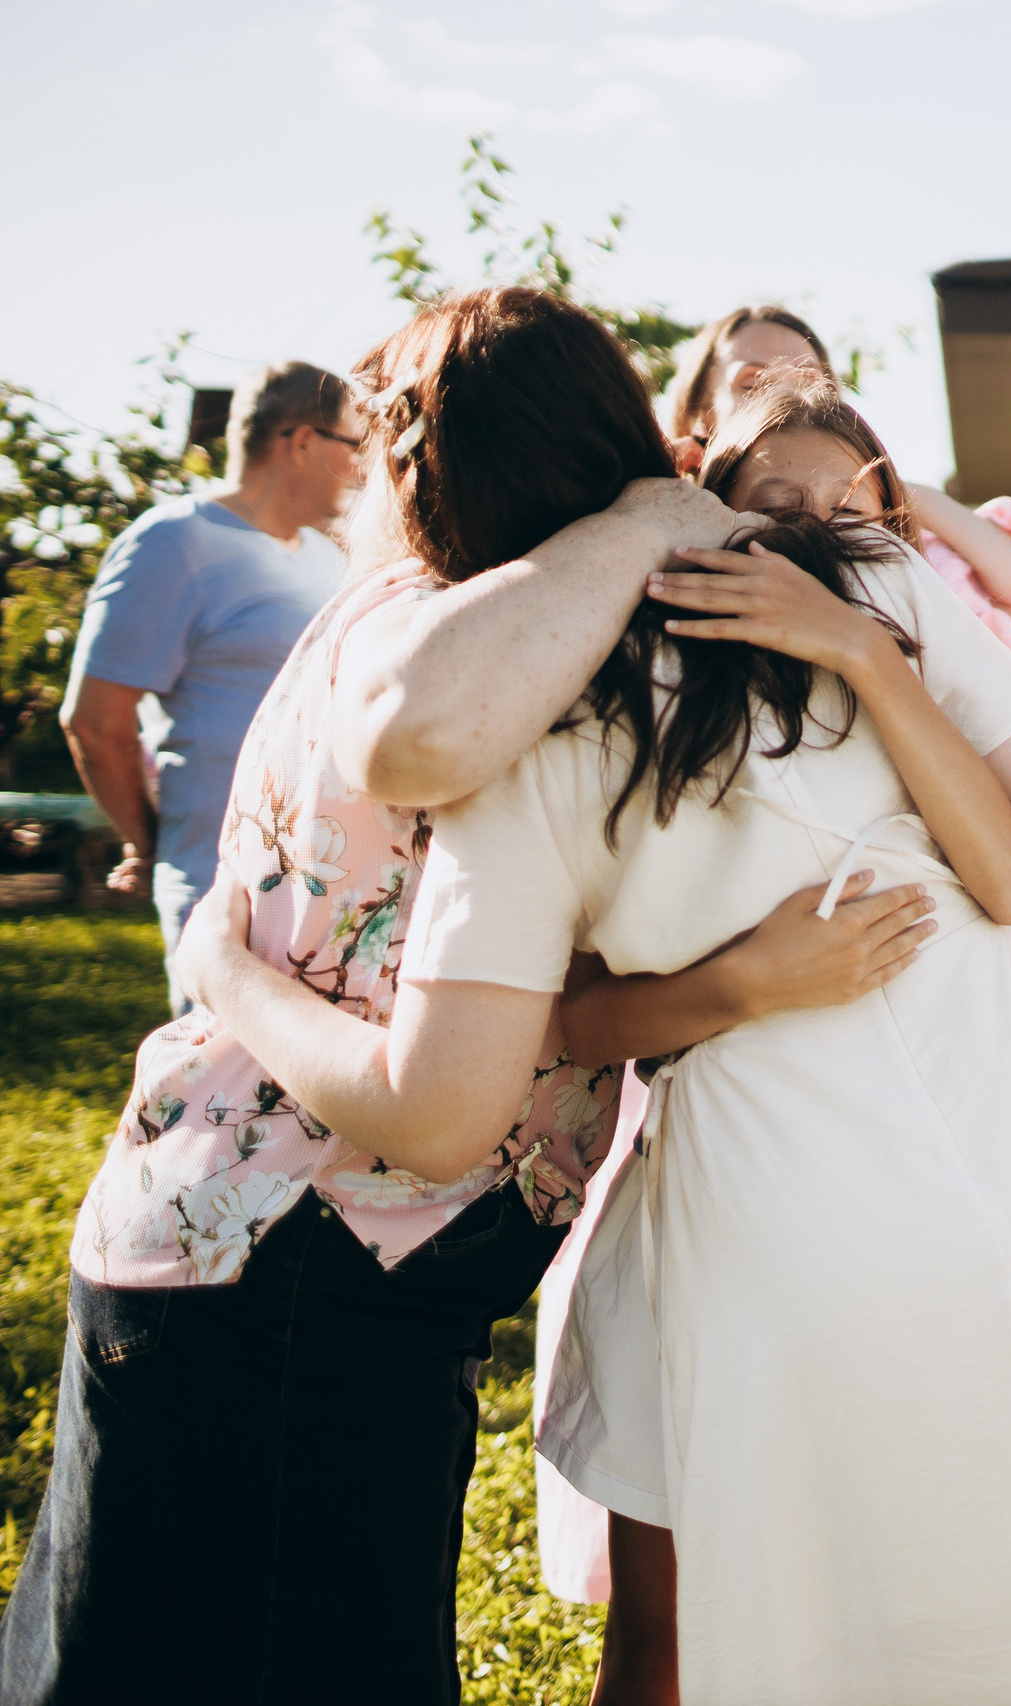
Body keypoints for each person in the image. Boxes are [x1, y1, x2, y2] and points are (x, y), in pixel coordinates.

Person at [200, 366, 1011, 1703]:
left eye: (840, 501)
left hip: (904, 1128)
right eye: (769, 495)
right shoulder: (730, 638)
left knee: (923, 1559)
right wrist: (746, 972)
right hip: (890, 1129)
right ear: (685, 484)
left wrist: (860, 655)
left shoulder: (784, 633)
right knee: (1003, 1539)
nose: (804, 524)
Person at [0, 291, 776, 1705]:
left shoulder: (521, 617)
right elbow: (419, 743)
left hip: (300, 1268)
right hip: (281, 1264)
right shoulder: (425, 619)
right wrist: (641, 521)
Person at [59, 362, 359, 1009]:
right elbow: (94, 721)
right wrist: (153, 843)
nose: (362, 467)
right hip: (220, 886)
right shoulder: (172, 543)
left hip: (325, 879)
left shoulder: (326, 555)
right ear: (301, 441)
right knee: (220, 1095)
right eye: (352, 445)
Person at [667, 302, 1011, 699]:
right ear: (697, 411)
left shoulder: (888, 541)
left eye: (805, 379)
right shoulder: (661, 532)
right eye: (752, 382)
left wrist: (908, 497)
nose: (781, 394)